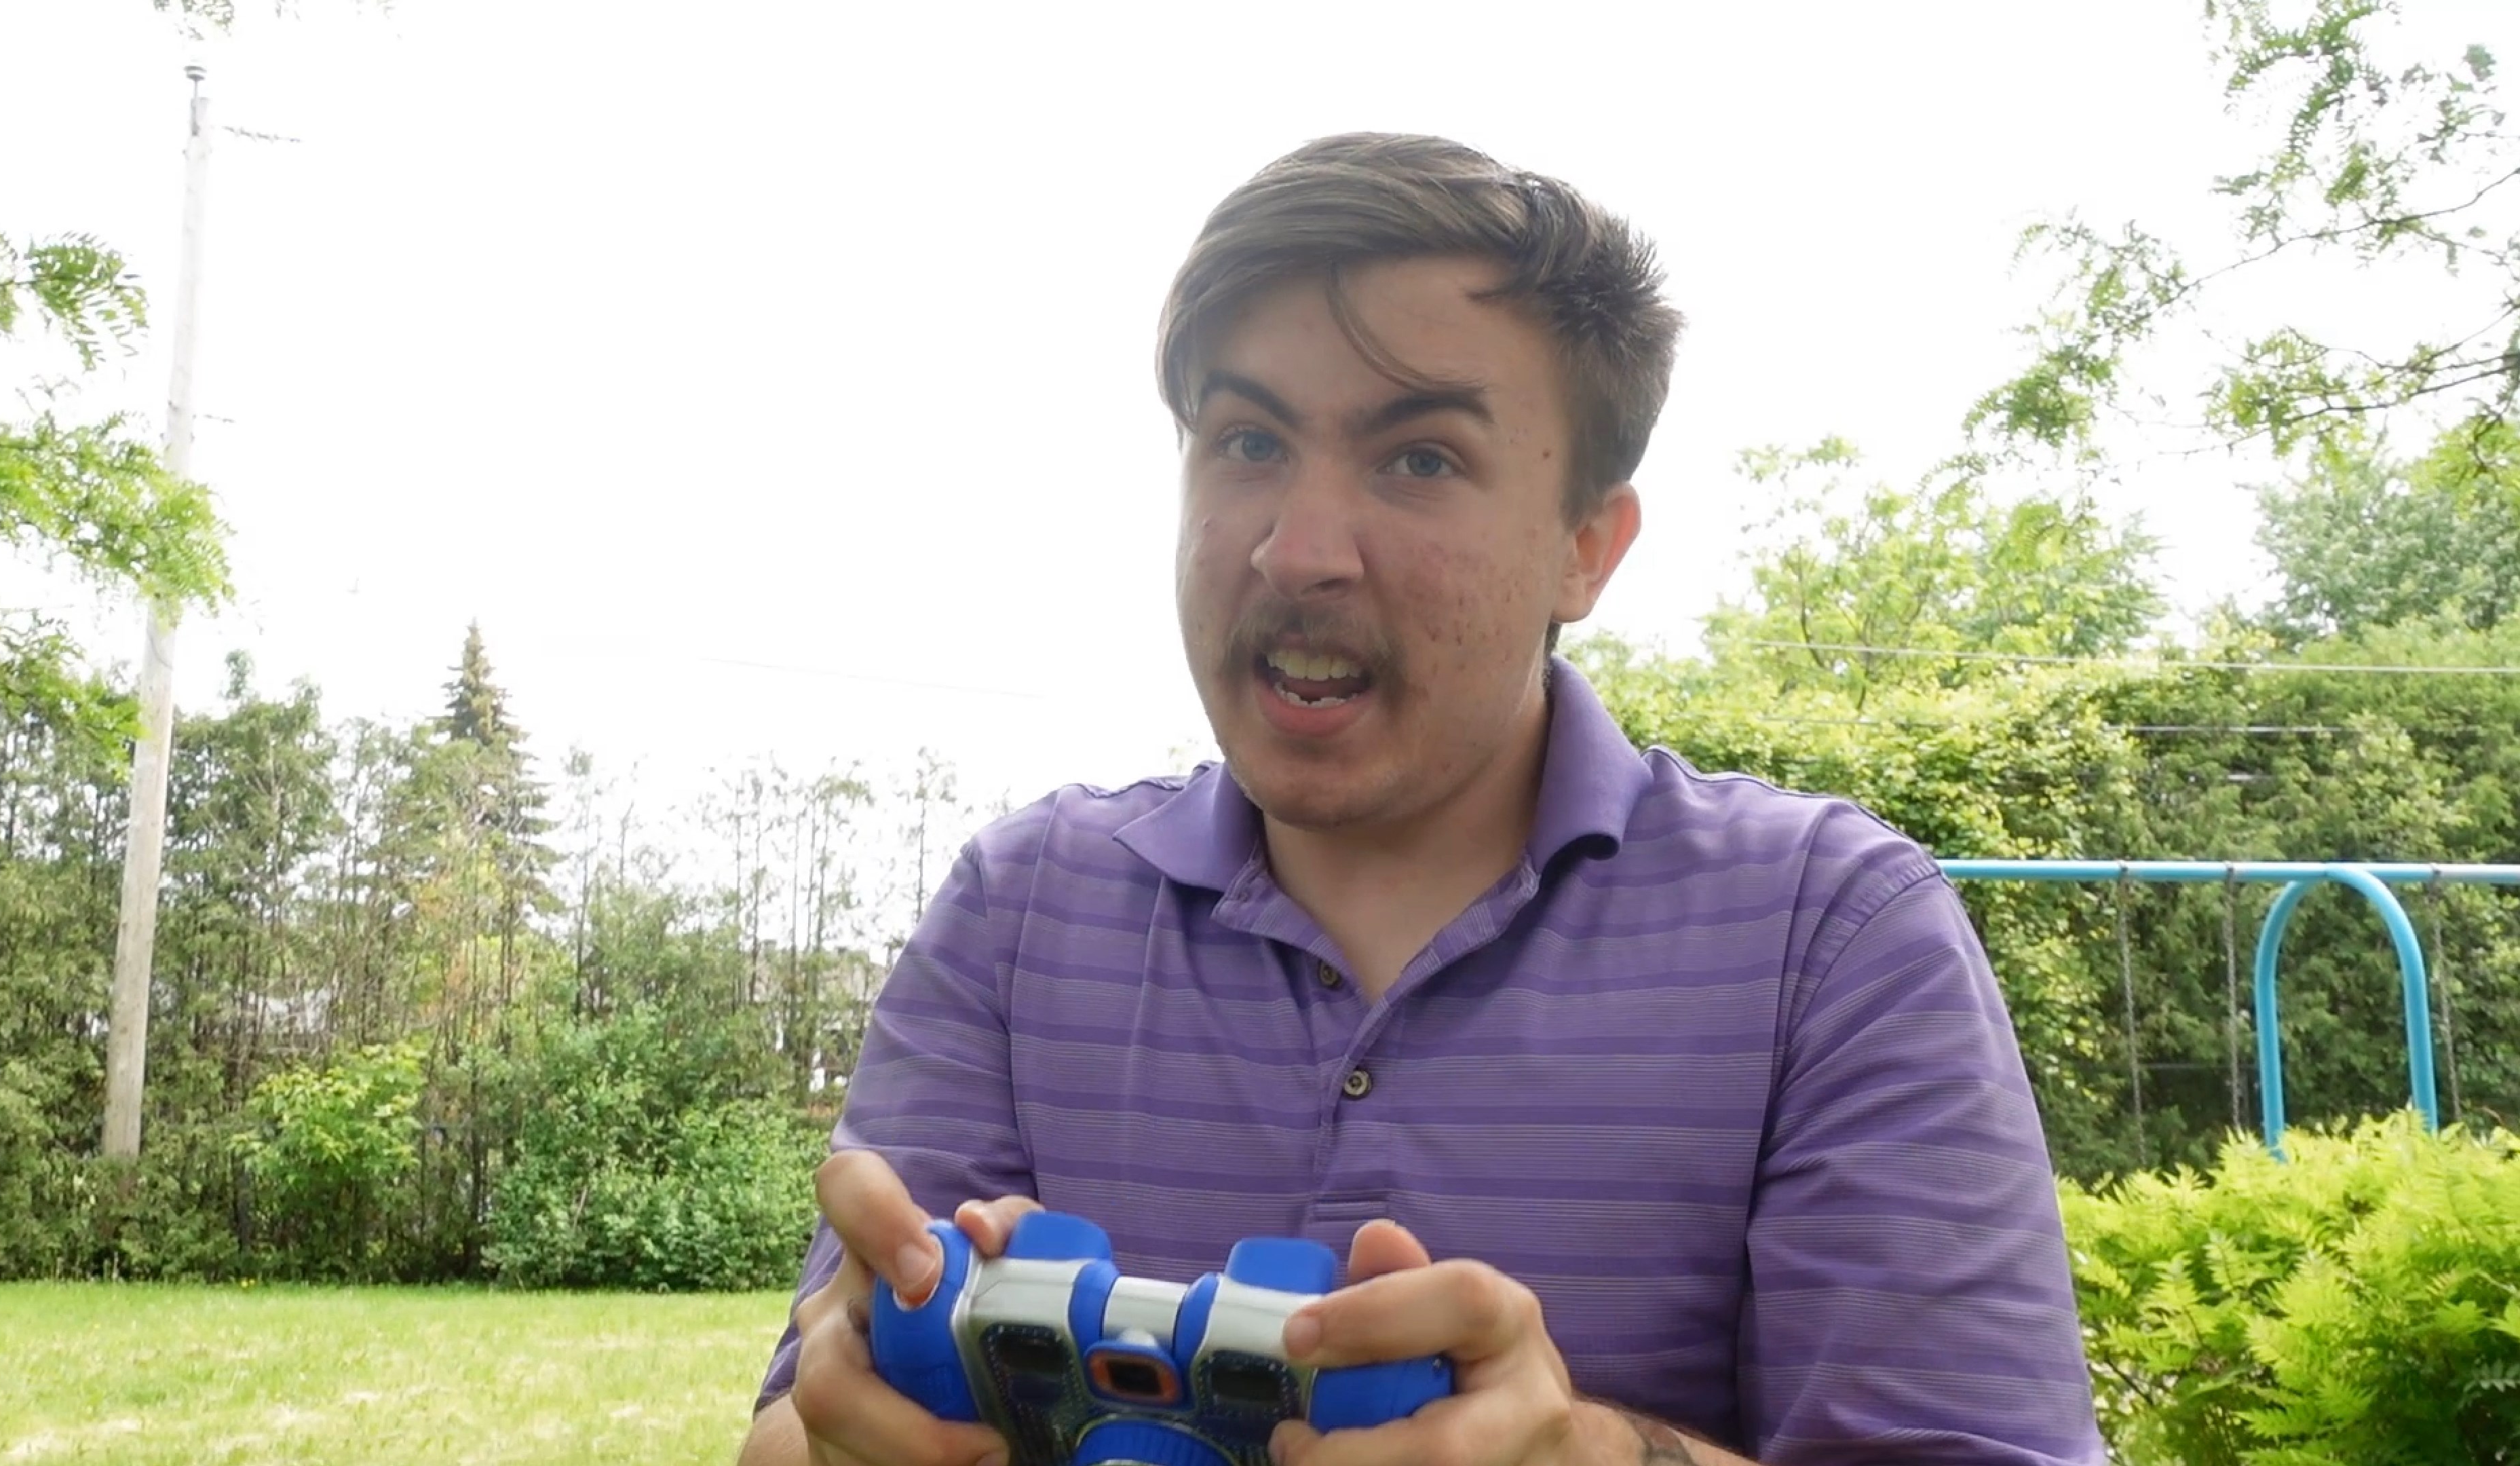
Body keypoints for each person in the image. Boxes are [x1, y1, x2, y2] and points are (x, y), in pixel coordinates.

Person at [738, 132, 2107, 1466]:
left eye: (1421, 459)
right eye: (1246, 440)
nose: (1297, 551)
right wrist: (846, 1424)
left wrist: (1589, 1456)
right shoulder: (1022, 912)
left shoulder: (1832, 934)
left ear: (1587, 547)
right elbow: (801, 1421)